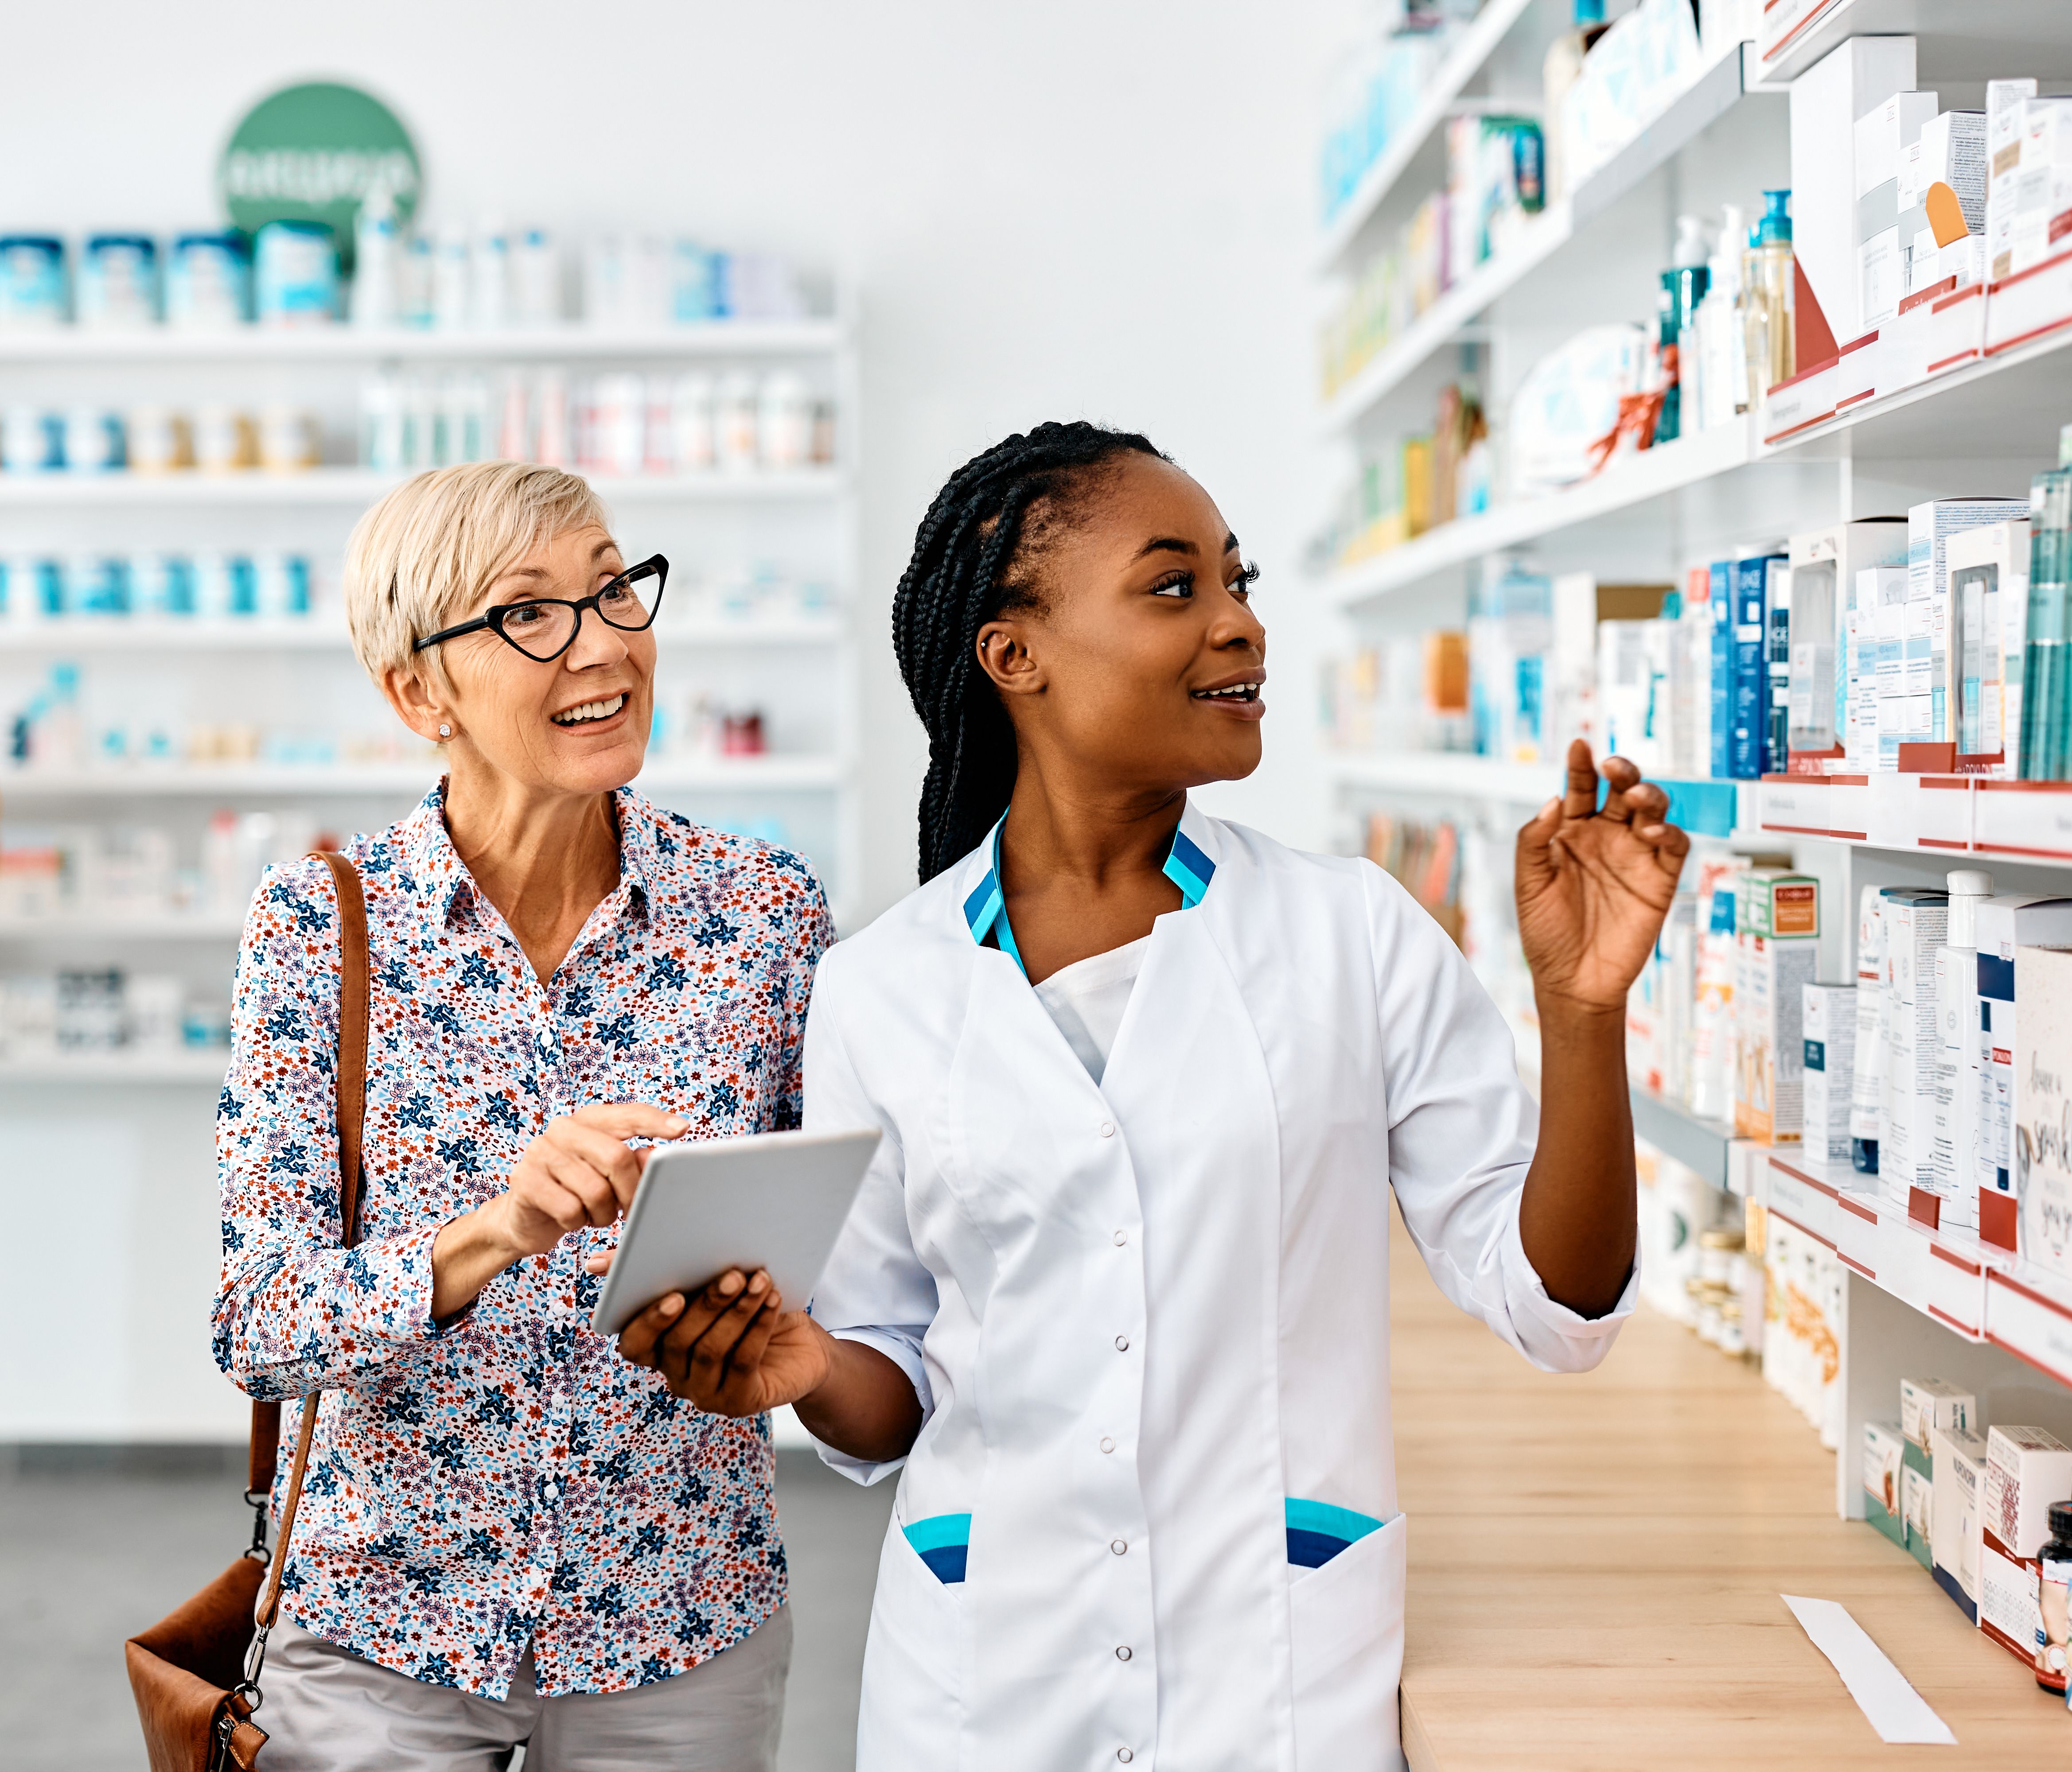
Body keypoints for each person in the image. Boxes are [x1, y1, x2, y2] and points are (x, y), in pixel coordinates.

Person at [611, 422, 1684, 1769]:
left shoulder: (1347, 931)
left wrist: (1583, 1016)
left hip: (1278, 1669)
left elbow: (1556, 1308)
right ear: (1015, 655)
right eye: (1176, 587)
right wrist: (807, 1369)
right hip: (986, 1682)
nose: (1239, 628)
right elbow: (887, 1394)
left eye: (1239, 585)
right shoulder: (885, 986)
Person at [214, 462, 830, 1772]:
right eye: (528, 614)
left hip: (680, 1622)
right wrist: (492, 1231)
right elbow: (257, 1326)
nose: (603, 641)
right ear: (417, 691)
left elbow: (846, 1253)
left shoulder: (764, 915)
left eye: (614, 590)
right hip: (387, 1635)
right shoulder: (320, 927)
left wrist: (772, 1316)